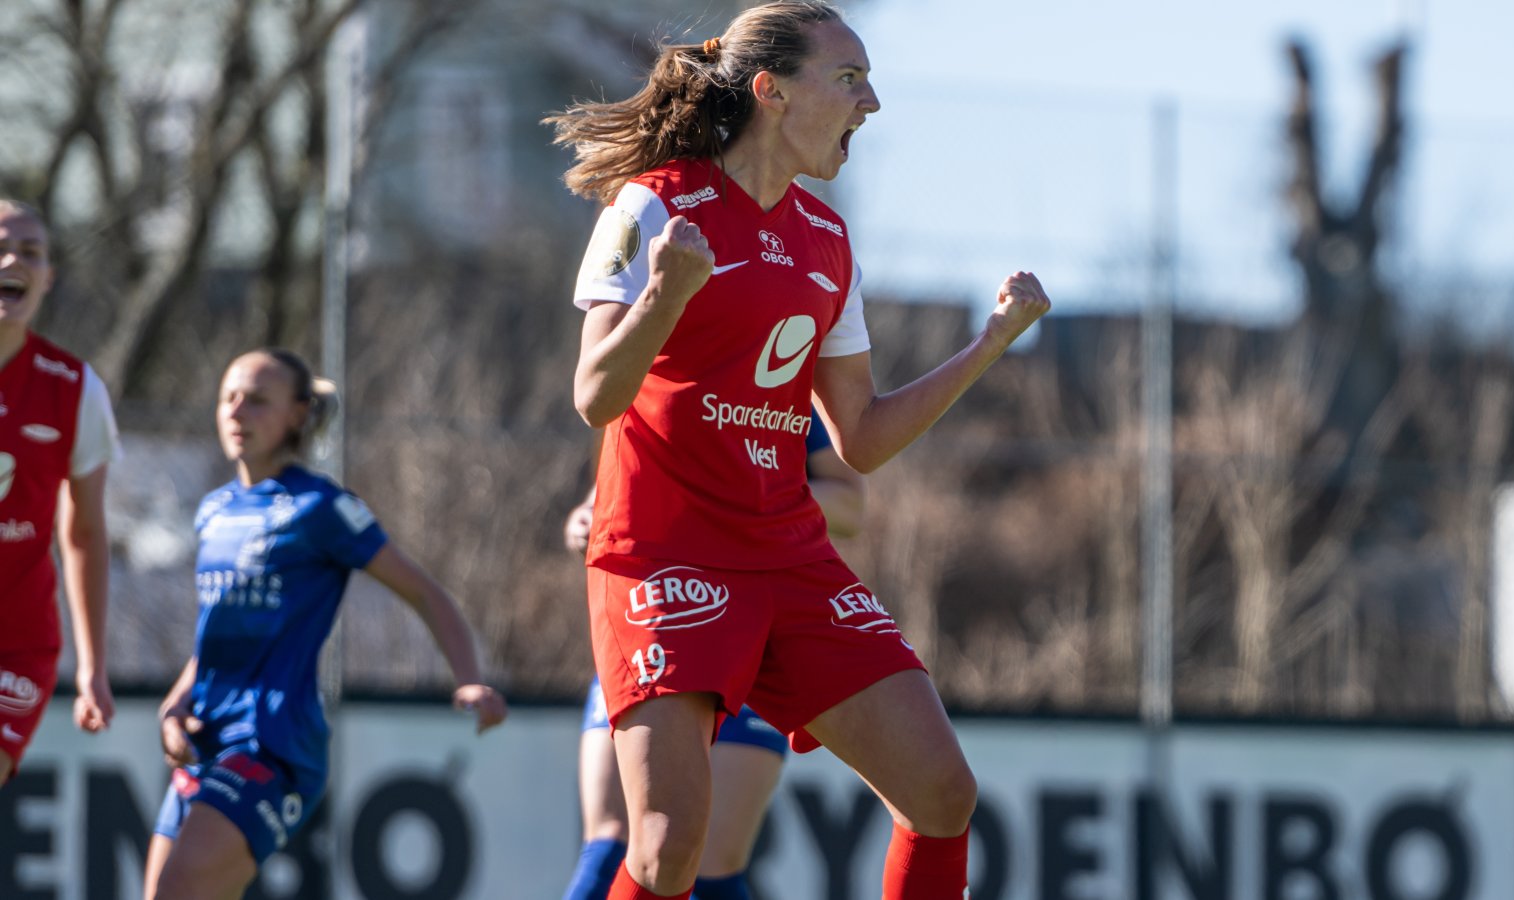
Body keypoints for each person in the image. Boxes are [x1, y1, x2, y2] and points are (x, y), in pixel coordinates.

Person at [547, 2, 1051, 897]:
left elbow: (863, 438)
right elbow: (595, 397)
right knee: (664, 850)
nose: (872, 103)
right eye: (850, 79)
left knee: (943, 793)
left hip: (787, 558)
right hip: (664, 554)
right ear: (771, 91)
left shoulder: (828, 240)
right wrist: (664, 296)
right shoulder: (653, 203)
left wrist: (989, 345)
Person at [142, 349, 509, 900]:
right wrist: (174, 707)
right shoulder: (213, 510)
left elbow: (425, 593)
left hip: (272, 743)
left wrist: (469, 678)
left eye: (257, 400)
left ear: (297, 413)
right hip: (206, 740)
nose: (237, 411)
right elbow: (215, 640)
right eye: (228, 398)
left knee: (178, 888)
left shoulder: (320, 508)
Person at [563, 412, 865, 900]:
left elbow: (852, 504)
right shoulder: (644, 376)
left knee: (706, 865)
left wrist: (741, 497)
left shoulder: (777, 382)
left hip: (745, 635)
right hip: (650, 624)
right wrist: (584, 516)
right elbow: (616, 477)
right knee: (609, 849)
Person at [0, 199, 119, 787]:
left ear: (48, 277)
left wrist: (92, 664)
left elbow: (84, 533)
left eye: (31, 252)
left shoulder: (75, 388)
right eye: (1, 248)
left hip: (15, 645)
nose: (13, 261)